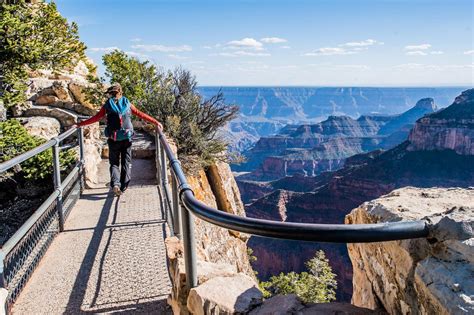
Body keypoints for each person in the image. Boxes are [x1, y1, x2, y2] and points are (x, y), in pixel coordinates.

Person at [74, 83, 163, 196]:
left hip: (113, 138)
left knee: (114, 163)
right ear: (121, 92)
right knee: (126, 162)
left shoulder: (107, 105)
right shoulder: (127, 103)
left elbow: (96, 118)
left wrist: (79, 124)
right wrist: (156, 122)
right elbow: (141, 114)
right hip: (127, 138)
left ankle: (115, 184)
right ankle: (123, 186)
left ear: (111, 94)